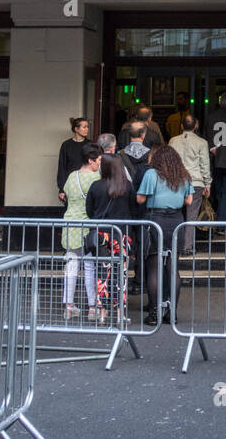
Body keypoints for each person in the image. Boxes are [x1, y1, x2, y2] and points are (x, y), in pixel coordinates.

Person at [137, 145, 194, 325]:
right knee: (173, 268)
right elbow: (189, 200)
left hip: (155, 219)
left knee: (154, 267)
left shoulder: (151, 174)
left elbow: (141, 198)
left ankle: (154, 313)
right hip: (176, 220)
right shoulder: (183, 175)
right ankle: (173, 313)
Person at [87, 152, 139, 322]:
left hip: (101, 234)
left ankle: (102, 313)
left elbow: (90, 211)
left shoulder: (96, 186)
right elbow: (134, 210)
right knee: (120, 274)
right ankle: (120, 314)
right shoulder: (128, 187)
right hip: (122, 235)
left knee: (101, 273)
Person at [62, 142, 103, 321]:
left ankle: (69, 307)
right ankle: (92, 307)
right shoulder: (97, 178)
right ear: (90, 160)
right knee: (89, 267)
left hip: (70, 223)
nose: (100, 163)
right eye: (98, 160)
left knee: (71, 265)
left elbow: (66, 195)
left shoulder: (72, 176)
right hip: (88, 225)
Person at [169, 114, 211, 253]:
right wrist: (207, 184)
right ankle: (187, 246)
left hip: (177, 181)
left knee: (175, 214)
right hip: (195, 182)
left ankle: (174, 245)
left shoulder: (173, 141)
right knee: (191, 215)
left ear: (181, 126)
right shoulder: (202, 142)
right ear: (196, 126)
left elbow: (169, 163)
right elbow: (204, 164)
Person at [206, 90, 226, 222]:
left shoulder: (210, 117)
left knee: (217, 192)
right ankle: (221, 224)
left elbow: (206, 139)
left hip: (213, 161)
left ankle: (216, 218)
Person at [56, 117, 90, 202]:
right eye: (84, 127)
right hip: (70, 184)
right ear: (76, 129)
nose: (87, 129)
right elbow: (62, 166)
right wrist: (61, 188)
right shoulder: (66, 145)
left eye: (87, 127)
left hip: (87, 183)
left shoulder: (90, 145)